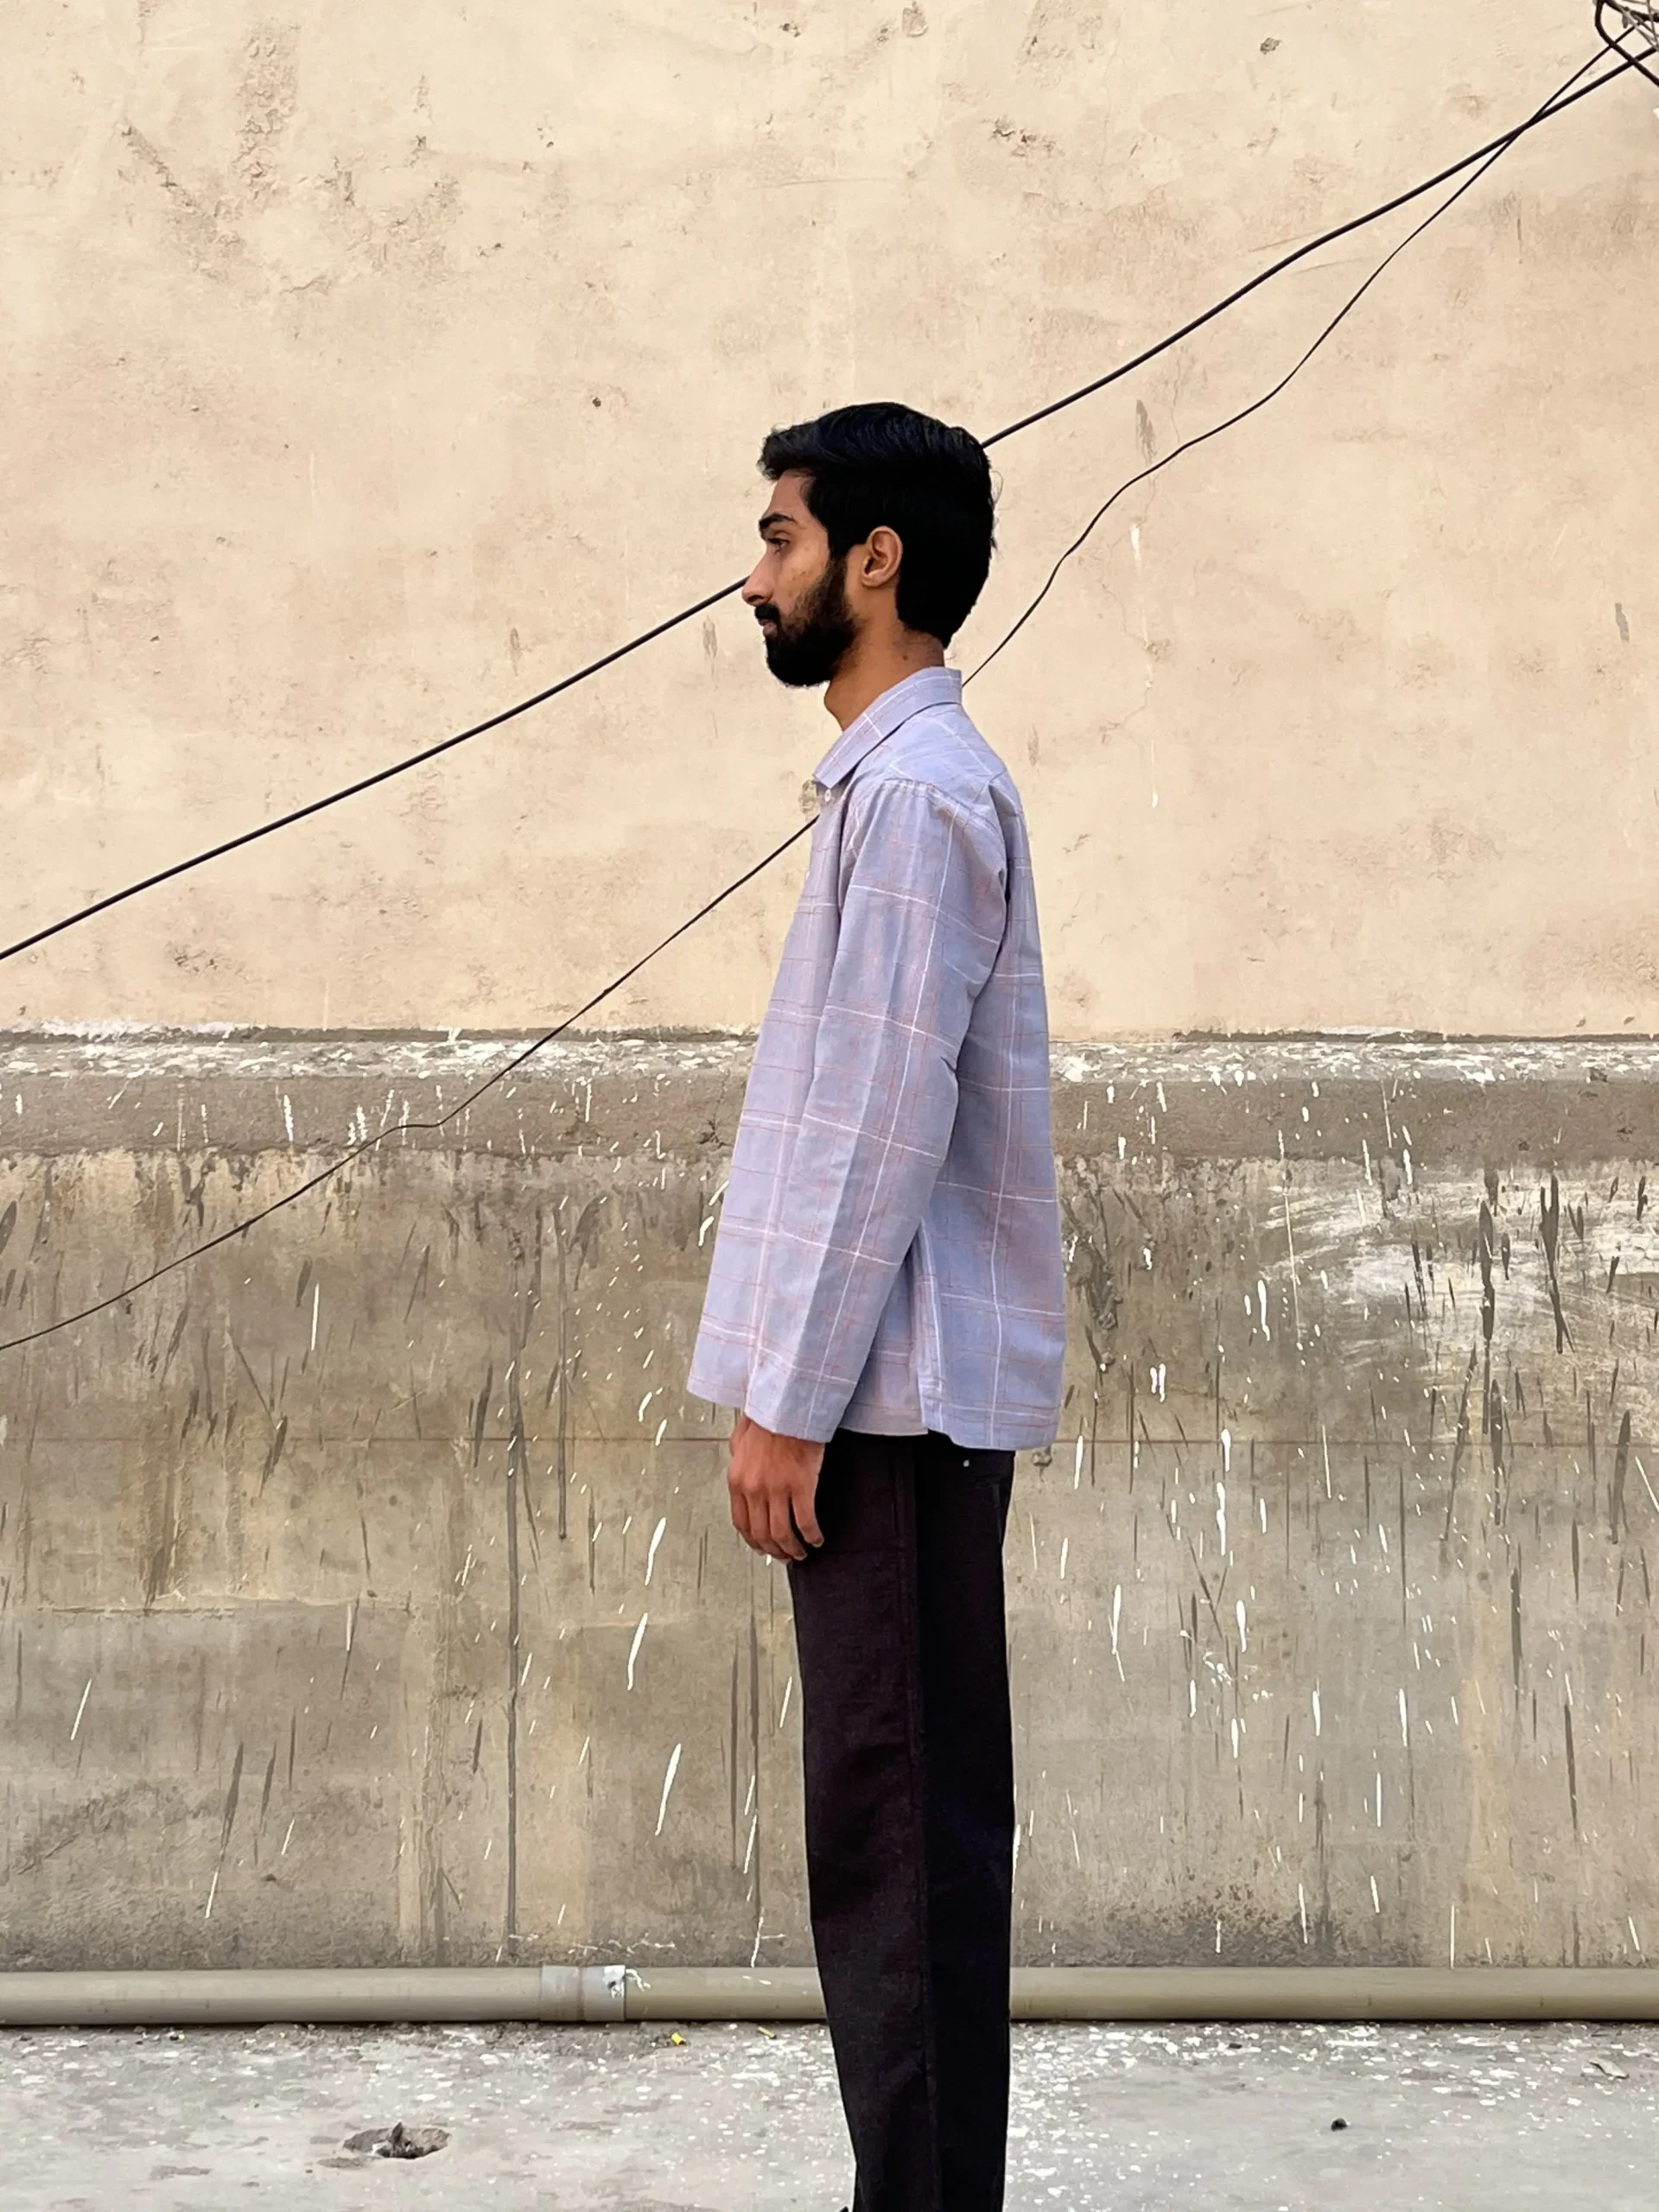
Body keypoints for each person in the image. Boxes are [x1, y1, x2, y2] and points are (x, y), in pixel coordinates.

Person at [687, 401, 1067, 2212]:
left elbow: (877, 1130)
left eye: (781, 537)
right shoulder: (894, 788)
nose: (756, 575)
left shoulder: (915, 800)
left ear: (875, 558)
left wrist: (789, 1399)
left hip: (886, 1411)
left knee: (899, 1846)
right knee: (899, 1837)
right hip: (884, 1399)